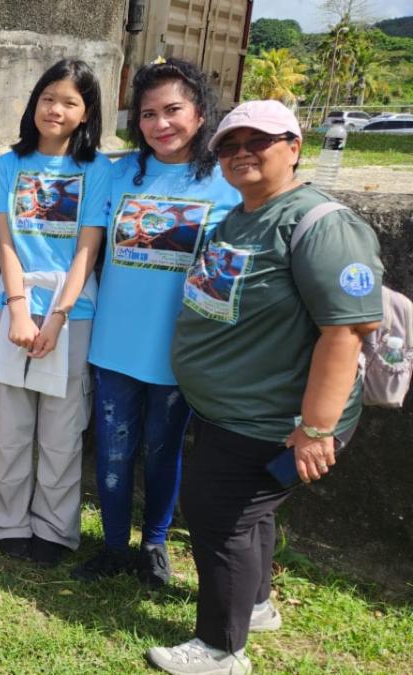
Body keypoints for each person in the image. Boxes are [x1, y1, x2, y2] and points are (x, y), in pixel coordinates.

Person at [147, 101, 383, 675]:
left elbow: (345, 330)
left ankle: (221, 648)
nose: (242, 153)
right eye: (229, 145)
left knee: (220, 519)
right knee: (249, 517)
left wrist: (316, 429)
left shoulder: (322, 225)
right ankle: (253, 605)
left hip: (273, 419)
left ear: (295, 146)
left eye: (260, 141)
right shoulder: (243, 215)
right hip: (230, 411)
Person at [74, 59, 240, 587]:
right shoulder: (118, 173)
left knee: (165, 453)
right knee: (114, 448)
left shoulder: (225, 183)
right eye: (148, 114)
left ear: (199, 112)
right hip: (115, 343)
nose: (160, 124)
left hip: (179, 351)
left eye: (173, 110)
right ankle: (114, 545)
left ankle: (154, 545)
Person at [0, 59, 112, 567]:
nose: (56, 109)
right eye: (48, 98)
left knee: (62, 429)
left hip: (72, 317)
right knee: (12, 427)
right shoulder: (8, 165)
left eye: (70, 102)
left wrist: (58, 317)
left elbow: (87, 250)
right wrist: (18, 310)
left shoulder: (97, 170)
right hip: (12, 309)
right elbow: (5, 243)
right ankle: (8, 520)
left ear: (86, 114)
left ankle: (55, 529)